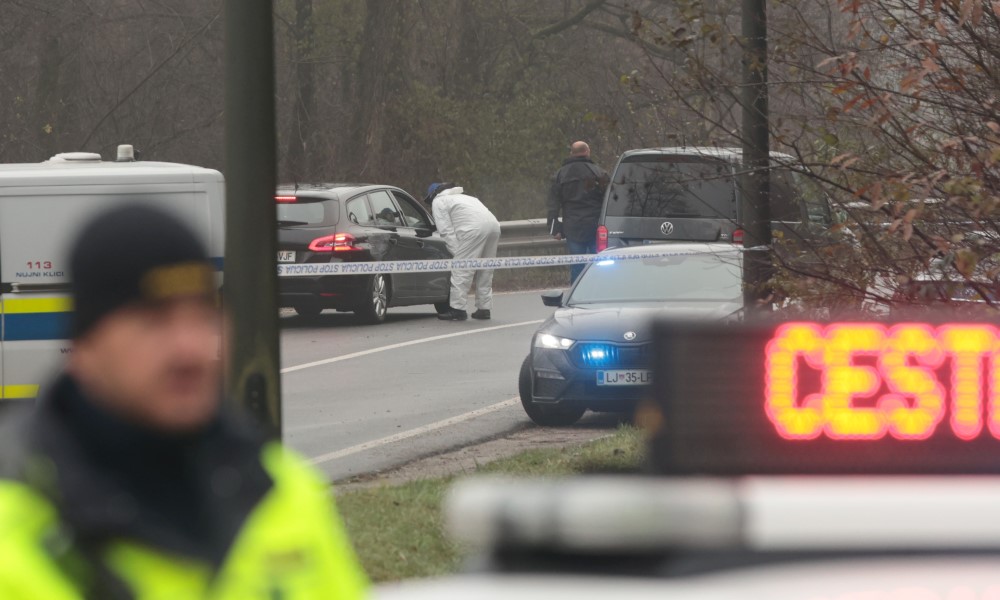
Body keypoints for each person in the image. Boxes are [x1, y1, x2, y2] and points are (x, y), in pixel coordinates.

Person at [0, 205, 367, 599]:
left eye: (202, 316)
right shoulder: (15, 521)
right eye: (153, 320)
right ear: (84, 345)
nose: (189, 348)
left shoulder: (283, 490)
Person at [424, 183, 501, 321]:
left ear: (433, 194)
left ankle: (457, 309)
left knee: (461, 269)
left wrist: (457, 255)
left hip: (474, 229)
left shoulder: (439, 201)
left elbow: (446, 230)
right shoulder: (467, 197)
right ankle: (484, 308)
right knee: (486, 269)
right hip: (494, 226)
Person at [548, 140, 610, 283]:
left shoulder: (560, 175)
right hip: (596, 226)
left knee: (577, 265)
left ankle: (577, 296)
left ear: (571, 153)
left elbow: (553, 204)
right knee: (599, 264)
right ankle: (600, 291)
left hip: (573, 227)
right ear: (588, 152)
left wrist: (554, 228)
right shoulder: (599, 173)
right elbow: (609, 200)